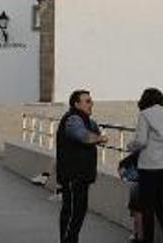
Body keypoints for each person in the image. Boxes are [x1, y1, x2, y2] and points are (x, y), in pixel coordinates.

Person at [56, 90, 109, 243]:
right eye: (87, 101)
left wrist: (96, 137)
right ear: (76, 104)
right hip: (73, 175)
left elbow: (93, 133)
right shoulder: (73, 119)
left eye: (91, 101)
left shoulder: (87, 120)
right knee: (72, 212)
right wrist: (99, 138)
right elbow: (84, 137)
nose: (91, 104)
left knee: (78, 213)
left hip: (82, 175)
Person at [126, 87, 163, 243]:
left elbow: (141, 141)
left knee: (147, 209)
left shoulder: (145, 114)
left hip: (150, 168)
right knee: (162, 208)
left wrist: (130, 146)